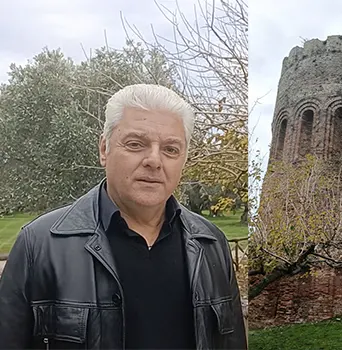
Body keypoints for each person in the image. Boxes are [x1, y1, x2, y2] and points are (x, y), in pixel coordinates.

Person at [0, 84, 247, 349]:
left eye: (171, 149)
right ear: (104, 149)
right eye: (135, 144)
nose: (154, 160)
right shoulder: (40, 245)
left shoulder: (211, 243)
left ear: (184, 158)